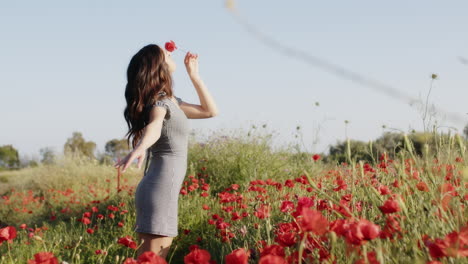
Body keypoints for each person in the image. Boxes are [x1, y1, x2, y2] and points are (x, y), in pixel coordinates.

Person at [114, 43, 218, 259]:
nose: (169, 51)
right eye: (164, 53)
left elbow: (209, 111)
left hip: (162, 188)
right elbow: (155, 126)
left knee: (153, 260)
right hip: (159, 188)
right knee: (153, 260)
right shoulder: (159, 103)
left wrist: (194, 76)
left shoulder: (171, 101)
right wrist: (142, 145)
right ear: (157, 65)